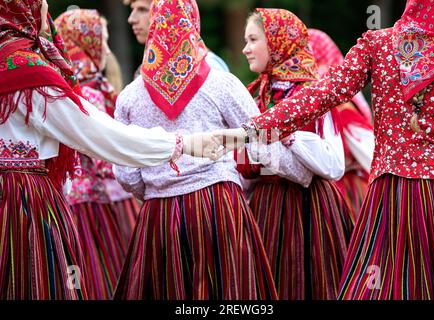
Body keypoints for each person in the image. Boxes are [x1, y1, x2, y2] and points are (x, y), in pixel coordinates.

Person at [214, 0, 434, 300]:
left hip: (392, 192)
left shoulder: (379, 44)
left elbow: (323, 93)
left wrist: (252, 130)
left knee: (380, 286)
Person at [0, 0, 213, 300]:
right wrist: (178, 144)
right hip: (22, 202)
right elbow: (96, 134)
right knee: (39, 280)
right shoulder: (27, 71)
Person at [113, 0, 277, 300]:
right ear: (193, 25)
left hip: (159, 213)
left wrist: (155, 187)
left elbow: (124, 171)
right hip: (219, 205)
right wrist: (243, 180)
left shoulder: (129, 97)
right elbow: (261, 137)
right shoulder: (221, 83)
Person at [238, 8, 353, 300]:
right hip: (267, 206)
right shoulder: (256, 96)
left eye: (253, 40)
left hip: (311, 208)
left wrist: (287, 138)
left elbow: (334, 165)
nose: (246, 49)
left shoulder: (313, 95)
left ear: (277, 43)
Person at [54, 9, 142, 300]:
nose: (106, 49)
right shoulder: (89, 93)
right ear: (87, 43)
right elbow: (109, 158)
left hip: (81, 204)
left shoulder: (75, 85)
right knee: (104, 279)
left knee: (83, 279)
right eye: (101, 41)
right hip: (95, 211)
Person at [308, 28, 375, 218]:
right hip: (323, 190)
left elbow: (370, 154)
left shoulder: (340, 106)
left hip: (343, 193)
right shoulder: (303, 99)